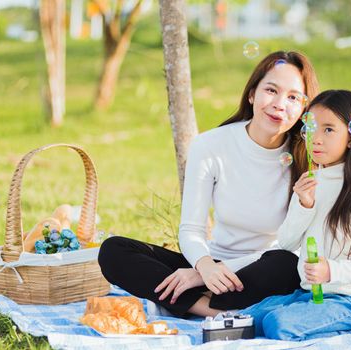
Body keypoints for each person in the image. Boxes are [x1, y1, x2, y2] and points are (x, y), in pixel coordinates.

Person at [98, 51, 320, 318]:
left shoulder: (308, 158)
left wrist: (202, 277)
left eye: (293, 97)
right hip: (211, 264)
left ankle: (195, 299)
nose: (280, 104)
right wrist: (204, 266)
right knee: (113, 251)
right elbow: (191, 229)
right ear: (252, 94)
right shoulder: (211, 145)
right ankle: (213, 310)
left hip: (262, 268)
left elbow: (293, 245)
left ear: (304, 110)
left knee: (288, 264)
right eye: (271, 90)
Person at [241, 89, 351, 340]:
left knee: (278, 324)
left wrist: (331, 271)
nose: (316, 139)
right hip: (313, 294)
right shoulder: (310, 182)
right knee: (250, 317)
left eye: (328, 130)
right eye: (311, 128)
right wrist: (304, 205)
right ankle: (310, 317)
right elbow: (287, 242)